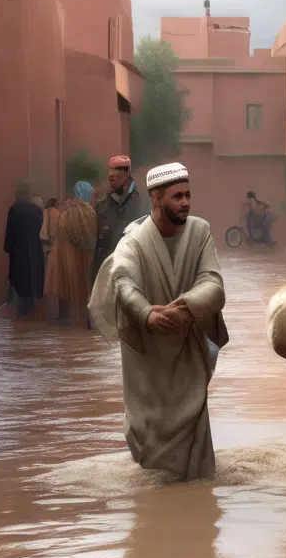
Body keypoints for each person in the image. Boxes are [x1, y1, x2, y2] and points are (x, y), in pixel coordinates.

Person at [89, 162, 230, 481]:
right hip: (147, 356)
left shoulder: (200, 231)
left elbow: (213, 283)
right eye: (177, 196)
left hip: (188, 348)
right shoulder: (133, 242)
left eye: (188, 195)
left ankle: (194, 512)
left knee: (195, 451)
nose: (185, 202)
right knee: (146, 435)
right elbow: (122, 281)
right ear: (156, 199)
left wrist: (188, 306)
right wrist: (148, 314)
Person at [92, 155, 150, 286]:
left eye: (116, 176)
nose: (112, 179)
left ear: (127, 174)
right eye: (110, 177)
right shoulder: (102, 206)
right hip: (107, 269)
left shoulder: (143, 203)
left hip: (134, 270)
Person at [50, 181, 98, 326]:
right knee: (83, 285)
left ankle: (64, 317)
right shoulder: (86, 211)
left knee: (63, 284)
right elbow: (89, 235)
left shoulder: (64, 209)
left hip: (61, 253)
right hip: (81, 254)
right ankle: (83, 319)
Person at [4, 183, 46, 318]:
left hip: (18, 250)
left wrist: (7, 247)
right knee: (33, 277)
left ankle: (22, 309)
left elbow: (10, 230)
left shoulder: (14, 209)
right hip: (35, 248)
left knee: (20, 278)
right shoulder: (37, 210)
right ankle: (32, 306)